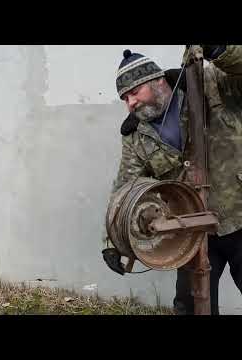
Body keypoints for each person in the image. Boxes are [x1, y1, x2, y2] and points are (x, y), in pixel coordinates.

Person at [102, 46, 242, 315]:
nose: (129, 103)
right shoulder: (136, 135)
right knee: (190, 307)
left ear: (157, 81)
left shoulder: (209, 85)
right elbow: (126, 185)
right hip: (192, 229)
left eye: (133, 92)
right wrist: (113, 241)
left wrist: (222, 51)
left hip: (238, 215)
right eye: (124, 98)